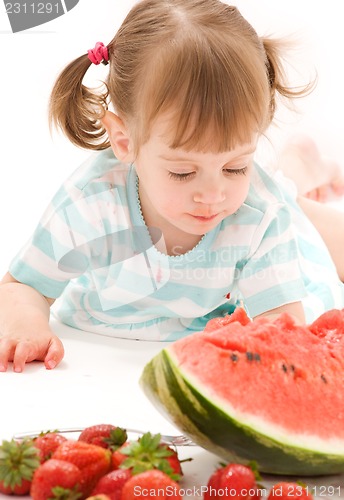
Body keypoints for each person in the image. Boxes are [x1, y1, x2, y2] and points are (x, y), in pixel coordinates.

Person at [0, 0, 343, 373]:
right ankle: (295, 169)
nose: (212, 195)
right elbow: (23, 285)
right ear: (125, 141)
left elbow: (281, 330)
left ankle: (298, 169)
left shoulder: (257, 212)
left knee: (305, 224)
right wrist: (25, 325)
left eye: (236, 166)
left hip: (268, 218)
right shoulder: (90, 203)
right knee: (273, 196)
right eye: (183, 172)